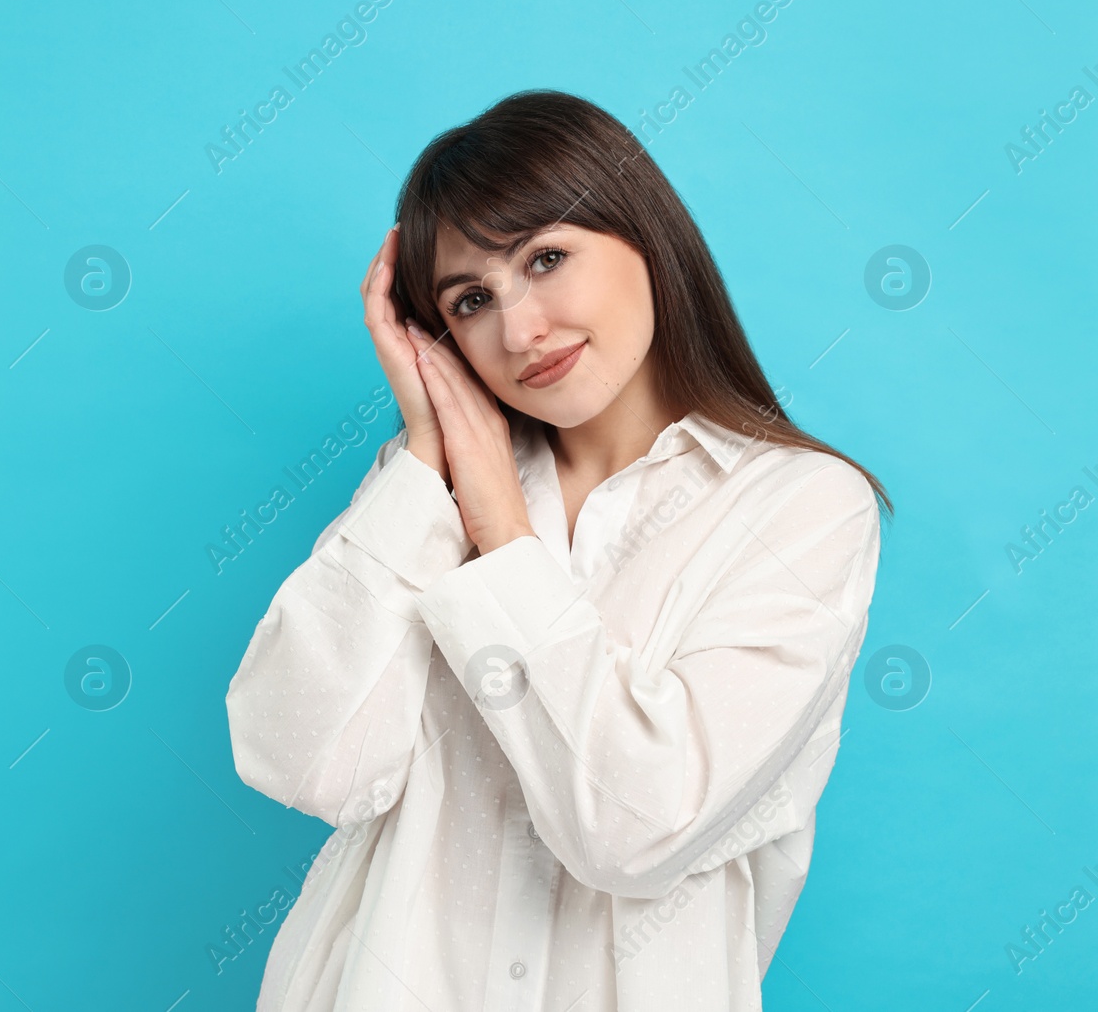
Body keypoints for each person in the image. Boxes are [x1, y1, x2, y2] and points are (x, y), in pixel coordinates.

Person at [224, 89, 891, 1012]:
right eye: (470, 300)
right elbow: (300, 760)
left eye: (546, 258)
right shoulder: (421, 488)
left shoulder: (802, 508)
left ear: (646, 236)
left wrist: (501, 530)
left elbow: (637, 827)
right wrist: (427, 459)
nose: (520, 330)